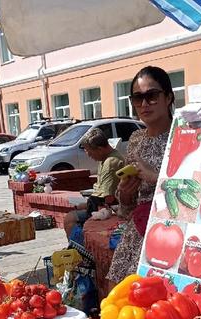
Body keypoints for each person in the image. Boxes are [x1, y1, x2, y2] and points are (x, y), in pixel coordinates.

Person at [106, 66, 174, 284]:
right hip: (137, 234)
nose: (144, 104)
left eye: (152, 96)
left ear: (169, 97)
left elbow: (196, 189)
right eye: (138, 98)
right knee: (119, 298)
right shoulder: (136, 139)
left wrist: (154, 177)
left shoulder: (184, 135)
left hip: (170, 235)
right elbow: (126, 208)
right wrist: (125, 195)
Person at [62, 127, 125, 238]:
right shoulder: (106, 159)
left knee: (70, 219)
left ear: (100, 149)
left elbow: (108, 197)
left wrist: (84, 204)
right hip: (103, 204)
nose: (90, 157)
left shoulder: (110, 163)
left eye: (90, 153)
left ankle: (80, 249)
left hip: (109, 208)